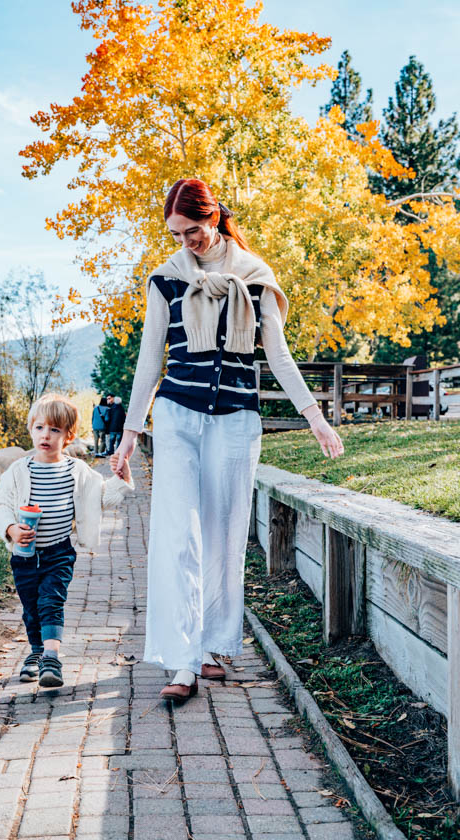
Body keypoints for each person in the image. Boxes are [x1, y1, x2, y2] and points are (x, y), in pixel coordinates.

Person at [110, 178, 343, 702]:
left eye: (192, 230)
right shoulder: (165, 281)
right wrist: (129, 434)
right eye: (176, 233)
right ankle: (182, 660)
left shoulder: (255, 278)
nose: (185, 241)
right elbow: (150, 360)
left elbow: (277, 357)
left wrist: (315, 417)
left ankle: (216, 644)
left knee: (226, 531)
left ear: (213, 219)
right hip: (177, 414)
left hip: (236, 417)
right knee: (178, 535)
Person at [0, 393, 134, 687]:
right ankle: (35, 653)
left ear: (68, 436)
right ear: (31, 429)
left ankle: (52, 658)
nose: (46, 435)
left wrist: (122, 477)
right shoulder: (19, 471)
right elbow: (1, 505)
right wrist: (11, 529)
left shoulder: (77, 471)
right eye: (40, 428)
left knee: (51, 602)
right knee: (31, 608)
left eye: (55, 430)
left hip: (58, 553)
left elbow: (103, 499)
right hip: (24, 554)